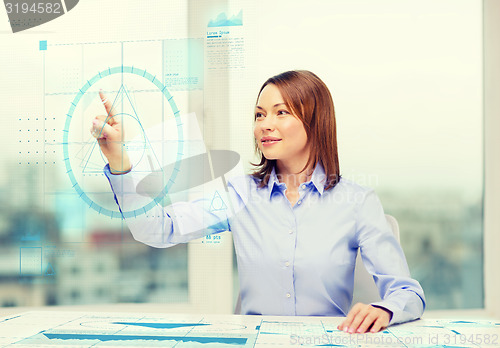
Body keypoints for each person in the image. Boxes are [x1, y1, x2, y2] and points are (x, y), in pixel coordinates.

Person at [92, 70, 425, 334]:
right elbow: (158, 230)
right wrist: (119, 162)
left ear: (315, 120)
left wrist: (383, 309)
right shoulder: (239, 195)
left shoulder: (357, 202)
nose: (265, 125)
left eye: (281, 113)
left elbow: (407, 294)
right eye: (259, 114)